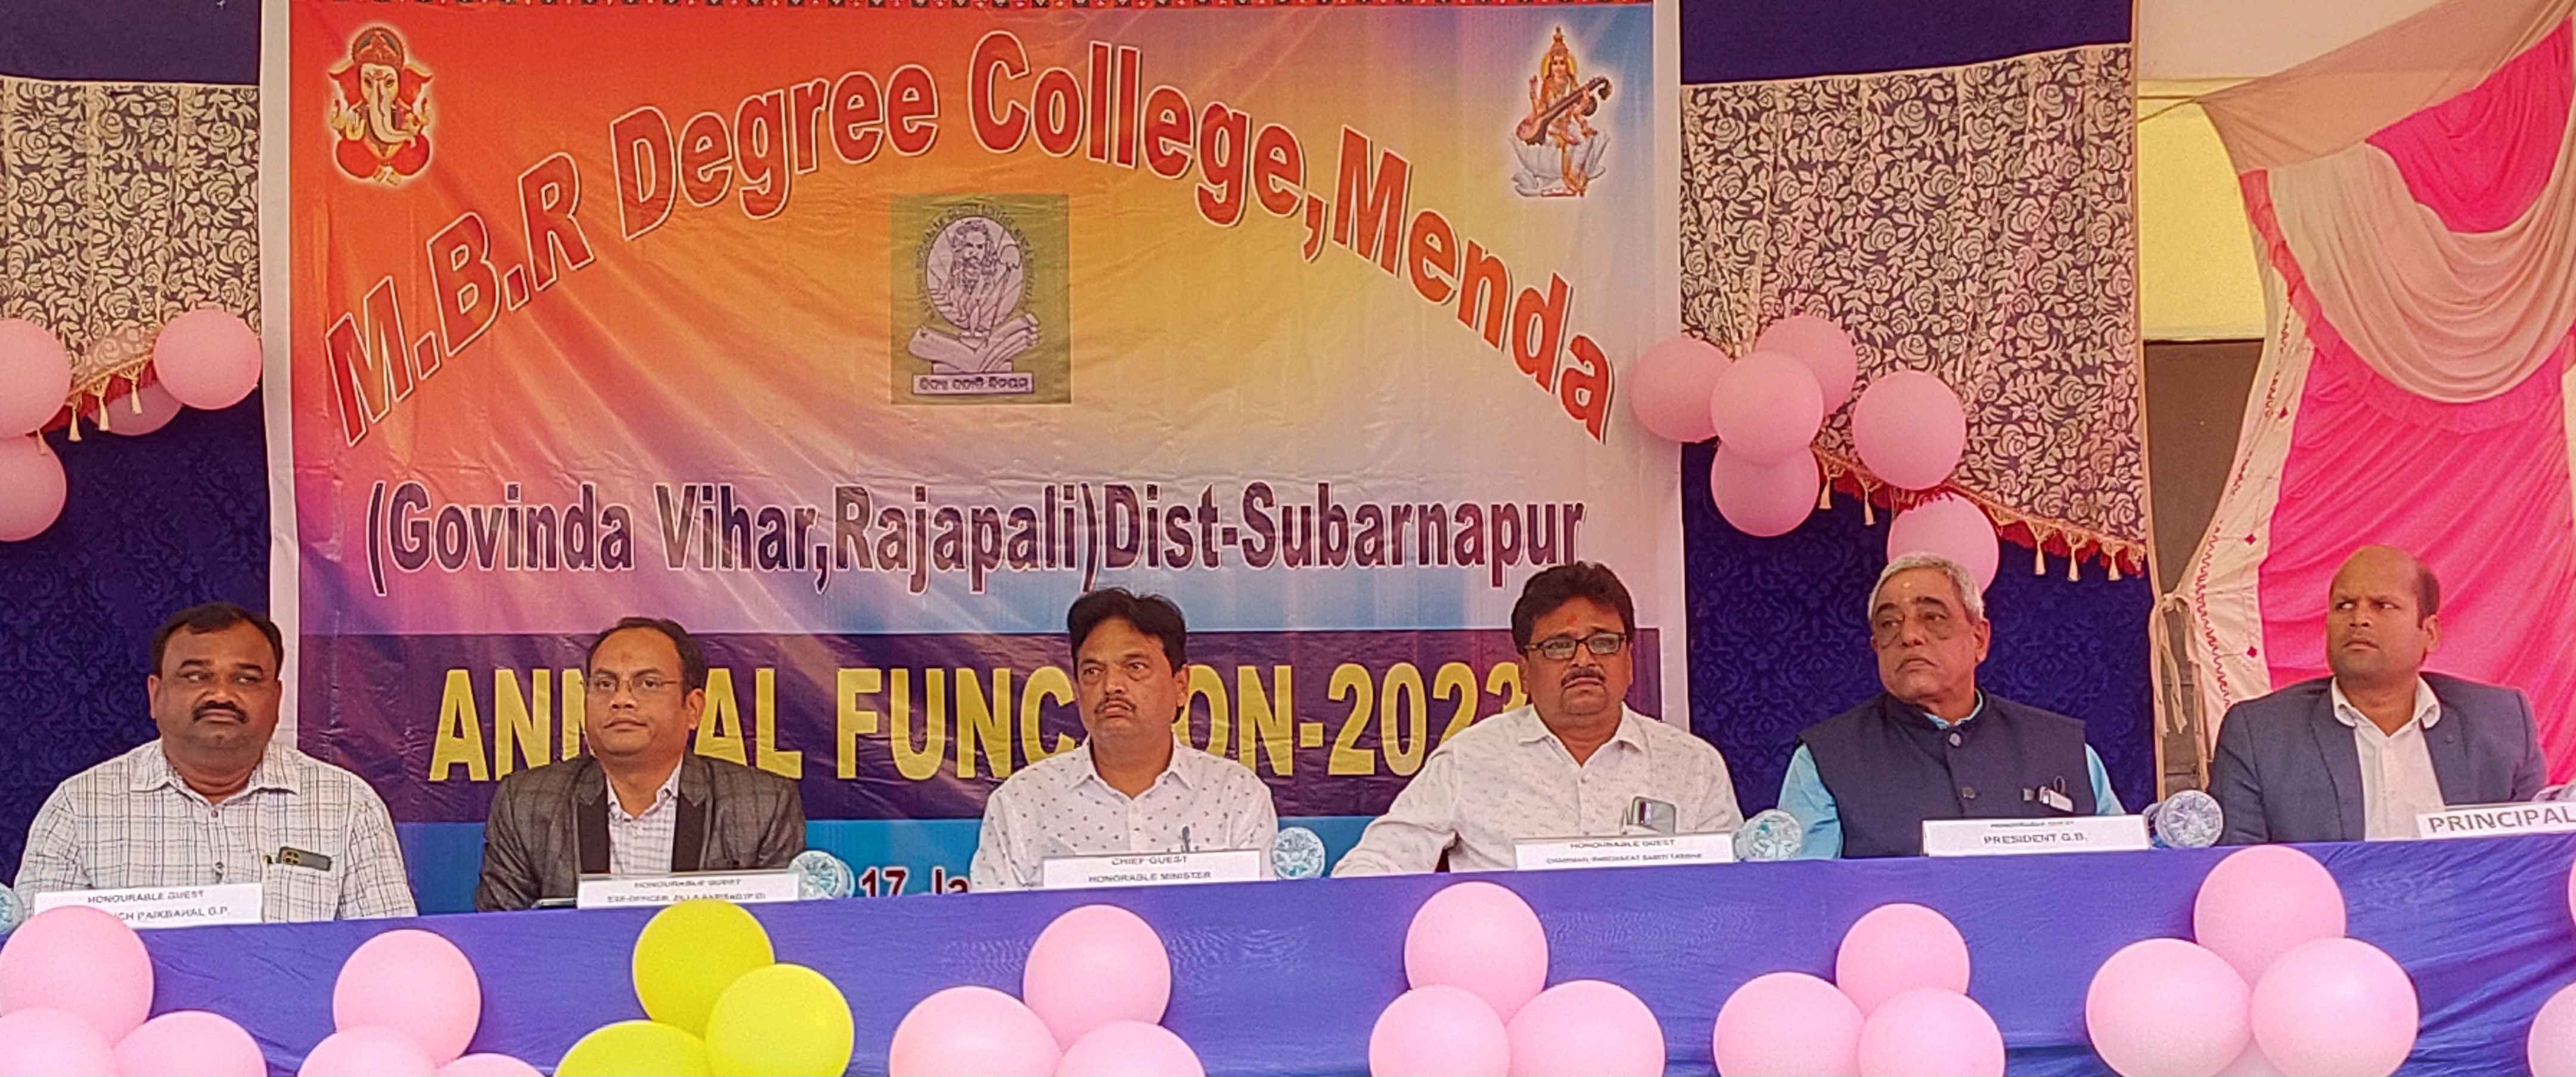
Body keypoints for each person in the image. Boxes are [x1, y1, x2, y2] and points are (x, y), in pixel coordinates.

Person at [1333, 562, 1742, 876]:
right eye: (1559, 646)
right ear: (1525, 672)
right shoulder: (1469, 760)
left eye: (1603, 642)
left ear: (1629, 661)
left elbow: (1737, 886)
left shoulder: (1692, 765)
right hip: (1508, 961)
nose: (1584, 660)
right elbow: (1372, 867)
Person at [14, 602, 415, 920]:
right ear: (155, 695)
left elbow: (386, 956)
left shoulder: (347, 805)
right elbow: (36, 958)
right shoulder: (79, 807)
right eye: (196, 676)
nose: (221, 694)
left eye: (246, 679)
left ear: (276, 699)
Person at [1779, 553, 2123, 858]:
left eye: (1932, 617)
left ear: (1979, 639)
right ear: (1876, 647)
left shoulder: (2062, 748)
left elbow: (2123, 873)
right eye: (1889, 624)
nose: (1909, 636)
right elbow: (1802, 894)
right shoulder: (1824, 759)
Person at [2210, 545, 2544, 843]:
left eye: (2383, 606)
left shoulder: (2501, 723)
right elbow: (2236, 869)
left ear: (2429, 633)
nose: (2359, 619)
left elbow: (2534, 859)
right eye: (2344, 606)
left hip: (2469, 896)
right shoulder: (2260, 734)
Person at [473, 617, 803, 911]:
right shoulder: (526, 803)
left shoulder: (762, 806)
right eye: (604, 685)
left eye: (648, 684)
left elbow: (778, 937)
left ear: (693, 708)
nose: (622, 699)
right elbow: (502, 937)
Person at [969, 589, 1278, 890]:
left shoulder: (1235, 795)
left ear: (1181, 685)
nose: (1111, 685)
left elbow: (1263, 919)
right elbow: (995, 924)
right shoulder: (1022, 802)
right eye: (1093, 671)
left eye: (1135, 667)